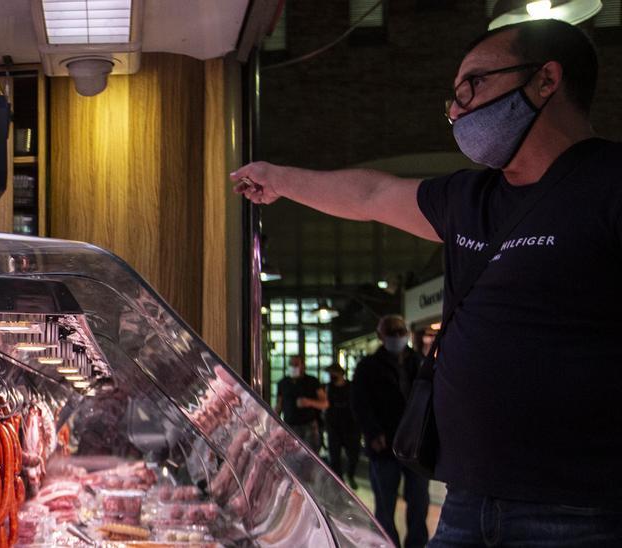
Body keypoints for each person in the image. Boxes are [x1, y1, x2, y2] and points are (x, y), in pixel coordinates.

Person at [233, 18, 622, 545]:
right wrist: (279, 178)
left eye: (473, 86)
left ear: (545, 80)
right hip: (466, 499)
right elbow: (371, 195)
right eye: (453, 99)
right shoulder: (469, 198)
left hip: (577, 509)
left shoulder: (607, 182)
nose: (458, 110)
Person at [352, 316, 428, 548]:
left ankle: (416, 544)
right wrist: (373, 434)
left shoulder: (419, 362)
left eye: (400, 331)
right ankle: (389, 544)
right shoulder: (368, 367)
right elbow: (360, 404)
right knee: (385, 506)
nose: (397, 336)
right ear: (380, 336)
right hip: (384, 444)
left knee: (419, 502)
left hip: (416, 446)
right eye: (391, 332)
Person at [274, 355, 327, 452]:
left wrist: (309, 402)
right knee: (291, 456)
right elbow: (279, 405)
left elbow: (325, 403)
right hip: (290, 426)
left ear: (303, 366)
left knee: (310, 456)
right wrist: (273, 422)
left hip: (309, 425)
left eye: (296, 364)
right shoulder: (283, 383)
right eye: (291, 364)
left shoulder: (312, 381)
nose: (293, 367)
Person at [324, 362, 360, 489]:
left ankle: (350, 475)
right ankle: (339, 483)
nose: (331, 376)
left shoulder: (351, 387)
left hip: (351, 426)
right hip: (334, 426)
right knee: (334, 457)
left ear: (340, 373)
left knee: (353, 455)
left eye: (333, 373)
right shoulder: (328, 387)